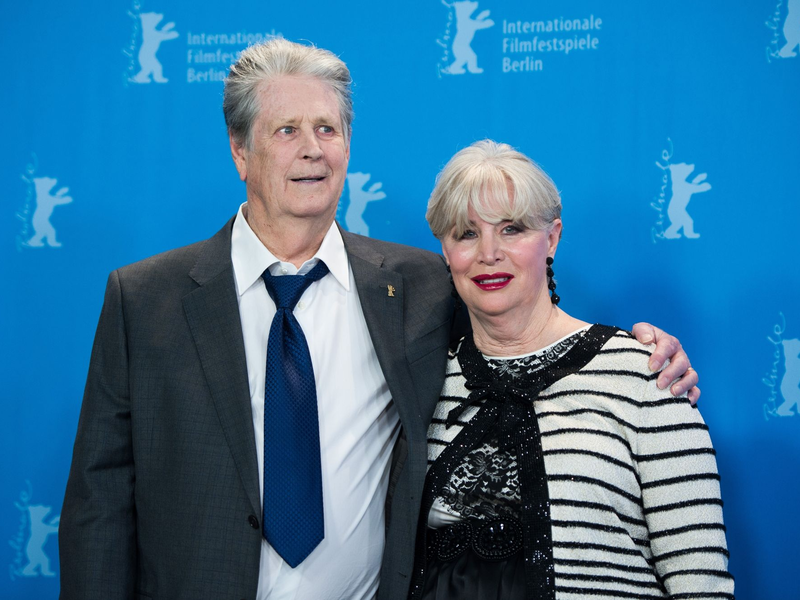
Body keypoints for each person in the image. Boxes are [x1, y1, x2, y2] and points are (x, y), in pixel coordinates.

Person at [59, 39, 698, 600]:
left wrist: (643, 350)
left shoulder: (421, 285)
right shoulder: (145, 300)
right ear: (240, 151)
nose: (313, 150)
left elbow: (522, 337)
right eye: (287, 131)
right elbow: (99, 506)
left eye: (328, 129)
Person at [408, 140, 734, 600]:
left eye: (512, 229)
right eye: (466, 233)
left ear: (553, 238)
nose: (488, 252)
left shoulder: (646, 373)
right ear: (445, 251)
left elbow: (700, 585)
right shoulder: (423, 379)